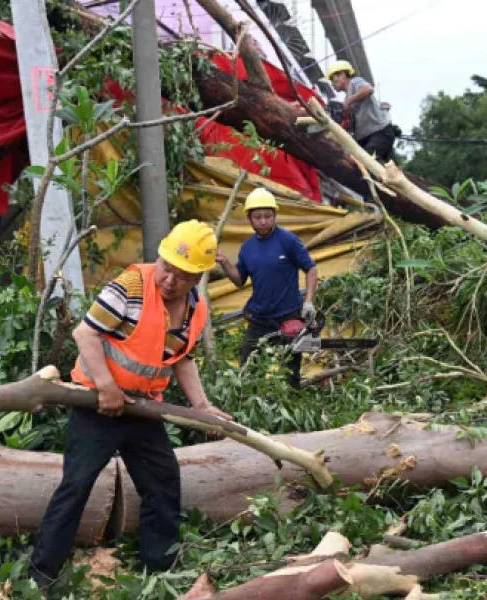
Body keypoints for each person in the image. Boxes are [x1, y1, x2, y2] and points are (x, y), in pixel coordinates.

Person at [28, 220, 233, 590]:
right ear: (160, 255)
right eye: (167, 266)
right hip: (96, 404)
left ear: (198, 276)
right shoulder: (130, 288)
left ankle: (161, 567)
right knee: (76, 486)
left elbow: (181, 358)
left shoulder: (194, 309)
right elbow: (85, 333)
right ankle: (41, 574)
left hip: (142, 408)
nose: (170, 279)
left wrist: (201, 405)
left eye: (182, 275)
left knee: (162, 481)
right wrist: (106, 387)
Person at [215, 188, 317, 388]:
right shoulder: (247, 248)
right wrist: (225, 263)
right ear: (249, 218)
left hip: (289, 317)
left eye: (268, 216)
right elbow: (239, 280)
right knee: (247, 369)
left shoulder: (288, 241)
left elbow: (311, 269)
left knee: (290, 372)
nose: (263, 221)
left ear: (275, 216)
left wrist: (309, 301)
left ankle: (292, 401)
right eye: (258, 217)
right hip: (259, 319)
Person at [326, 60, 396, 162]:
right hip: (365, 138)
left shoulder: (355, 82)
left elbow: (368, 89)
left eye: (333, 79)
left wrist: (349, 101)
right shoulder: (346, 99)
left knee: (363, 163)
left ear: (342, 75)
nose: (332, 84)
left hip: (380, 132)